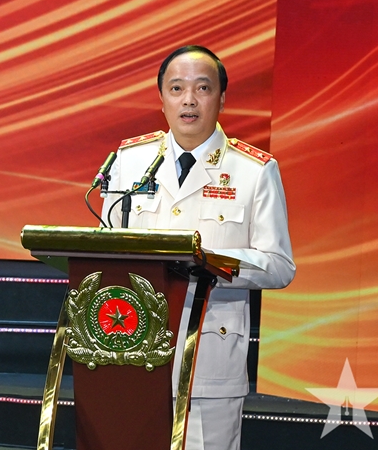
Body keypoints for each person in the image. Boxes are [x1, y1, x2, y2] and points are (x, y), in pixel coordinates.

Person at [100, 45, 295, 450]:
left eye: (202, 88)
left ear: (221, 99)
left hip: (209, 361)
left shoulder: (254, 171)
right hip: (132, 353)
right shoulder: (128, 161)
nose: (188, 99)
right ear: (162, 99)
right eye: (176, 88)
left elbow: (279, 265)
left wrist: (207, 262)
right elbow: (105, 252)